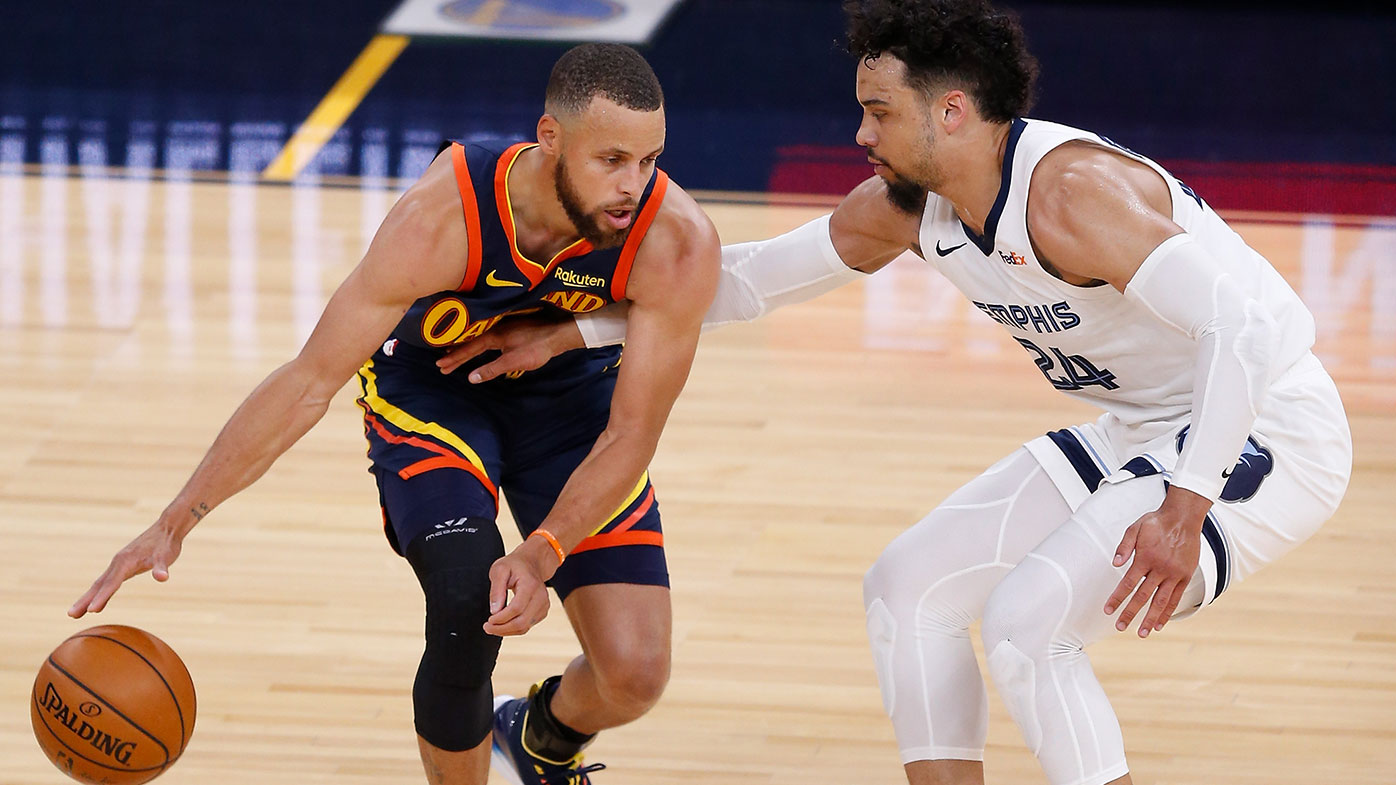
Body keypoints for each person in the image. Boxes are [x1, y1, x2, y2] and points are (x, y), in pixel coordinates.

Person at [435, 3, 1353, 784]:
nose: (861, 134)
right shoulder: (911, 207)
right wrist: (576, 327)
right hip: (1144, 424)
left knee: (1032, 627)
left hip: (1267, 423)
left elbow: (1250, 331)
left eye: (878, 112)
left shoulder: (1075, 194)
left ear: (950, 111)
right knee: (908, 587)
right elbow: (746, 281)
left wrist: (1185, 506)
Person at [68, 43, 719, 785]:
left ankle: (538, 735)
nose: (634, 185)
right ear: (549, 138)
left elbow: (632, 433)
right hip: (434, 396)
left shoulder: (675, 241)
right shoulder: (440, 217)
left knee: (634, 674)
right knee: (464, 600)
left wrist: (540, 552)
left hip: (570, 411)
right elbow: (310, 380)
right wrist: (176, 515)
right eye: (612, 160)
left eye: (650, 160)